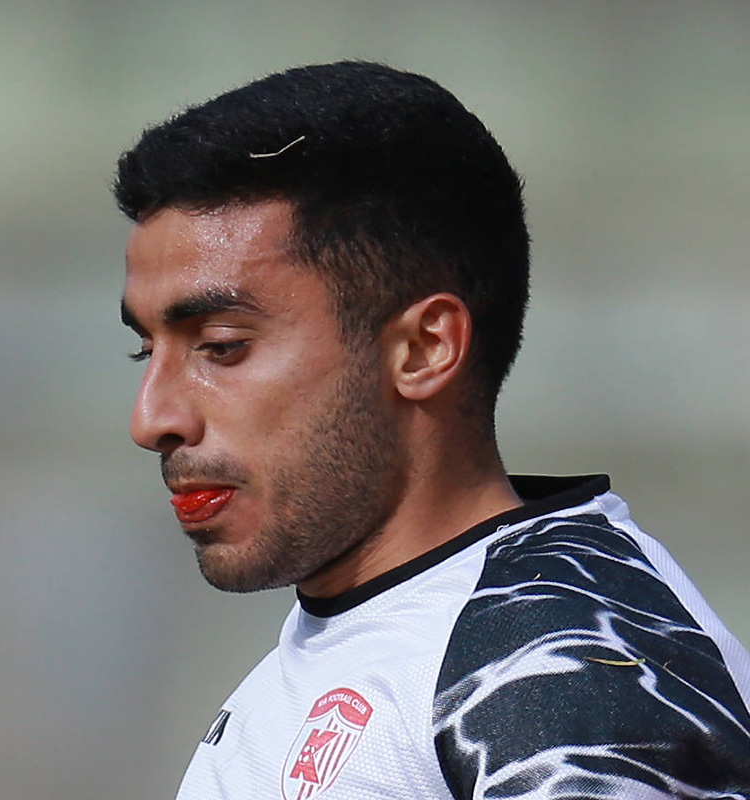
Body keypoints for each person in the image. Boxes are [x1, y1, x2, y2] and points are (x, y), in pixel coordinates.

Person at [114, 61, 750, 799]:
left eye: (221, 347)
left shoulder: (556, 672)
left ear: (423, 349)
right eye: (145, 350)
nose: (151, 420)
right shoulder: (395, 633)